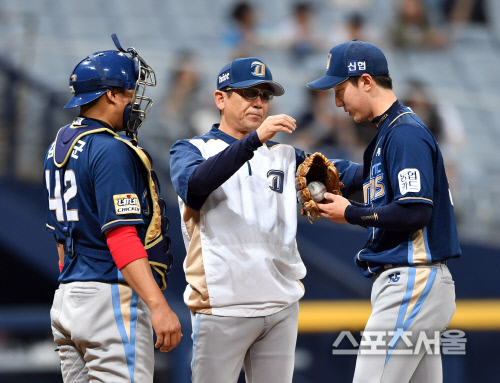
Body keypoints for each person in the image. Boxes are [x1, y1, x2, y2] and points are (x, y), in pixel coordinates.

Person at [307, 40, 461, 383]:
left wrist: (351, 214)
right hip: (415, 283)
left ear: (365, 81)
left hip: (412, 279)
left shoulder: (405, 134)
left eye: (340, 89)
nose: (336, 102)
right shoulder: (388, 136)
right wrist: (305, 164)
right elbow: (362, 177)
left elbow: (415, 212)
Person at [43, 34, 181, 382]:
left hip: (67, 296)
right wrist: (158, 305)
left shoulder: (58, 145)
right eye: (131, 90)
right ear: (111, 94)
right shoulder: (109, 149)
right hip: (109, 297)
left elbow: (61, 241)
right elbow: (121, 237)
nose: (136, 99)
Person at [169, 57, 307, 383]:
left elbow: (344, 174)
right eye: (248, 93)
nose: (259, 102)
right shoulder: (191, 149)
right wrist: (254, 141)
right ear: (221, 98)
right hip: (223, 306)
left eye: (265, 95)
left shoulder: (285, 155)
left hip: (280, 304)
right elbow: (194, 186)